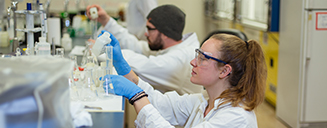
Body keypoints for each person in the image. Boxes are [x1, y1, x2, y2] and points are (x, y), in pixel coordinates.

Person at [103, 33, 267, 127]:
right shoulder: (204, 100)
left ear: (225, 70)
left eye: (203, 58)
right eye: (198, 54)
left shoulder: (236, 117)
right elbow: (161, 105)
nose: (193, 62)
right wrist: (123, 67)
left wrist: (136, 96)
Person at [86, 4, 203, 94]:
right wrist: (106, 21)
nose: (146, 34)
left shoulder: (179, 61)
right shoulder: (171, 46)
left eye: (150, 29)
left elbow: (144, 65)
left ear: (165, 33)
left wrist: (105, 51)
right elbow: (137, 47)